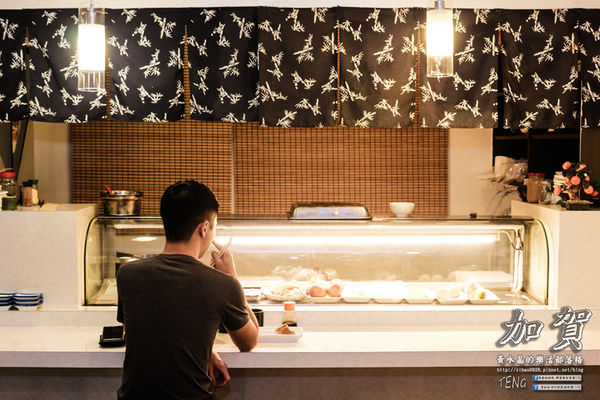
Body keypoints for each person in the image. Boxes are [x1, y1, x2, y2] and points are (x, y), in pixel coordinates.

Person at [116, 180, 259, 400]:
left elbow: (142, 332)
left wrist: (207, 352)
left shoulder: (127, 274)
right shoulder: (222, 284)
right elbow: (249, 342)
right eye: (214, 227)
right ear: (204, 228)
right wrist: (233, 277)